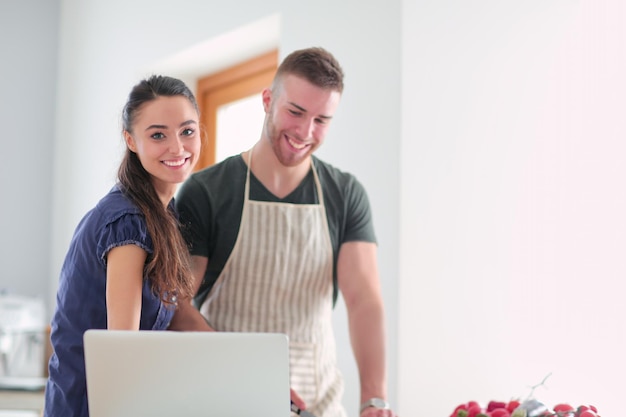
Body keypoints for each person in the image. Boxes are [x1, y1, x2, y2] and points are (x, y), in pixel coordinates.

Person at [173, 47, 395, 417]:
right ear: (267, 100)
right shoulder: (207, 191)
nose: (305, 132)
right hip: (226, 400)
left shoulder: (344, 193)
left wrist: (374, 399)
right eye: (295, 112)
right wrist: (248, 373)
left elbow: (364, 301)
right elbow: (176, 307)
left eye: (322, 119)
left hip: (317, 404)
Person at [44, 75, 211, 417]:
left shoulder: (163, 214)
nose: (178, 148)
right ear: (131, 141)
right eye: (158, 135)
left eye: (187, 131)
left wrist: (248, 366)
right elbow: (124, 349)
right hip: (91, 407)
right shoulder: (128, 221)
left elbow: (180, 314)